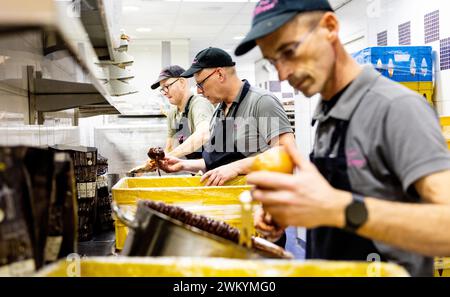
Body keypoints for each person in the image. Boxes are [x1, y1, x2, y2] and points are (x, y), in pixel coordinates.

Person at [235, 0, 450, 276]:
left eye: (289, 52)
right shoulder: (328, 110)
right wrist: (296, 212)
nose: (283, 73)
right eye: (273, 61)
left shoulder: (396, 108)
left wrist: (338, 209)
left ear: (330, 27)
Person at [159, 47, 296, 186]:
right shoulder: (219, 110)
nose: (199, 91)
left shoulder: (261, 101)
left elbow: (286, 154)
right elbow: (217, 162)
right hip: (230, 200)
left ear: (220, 74)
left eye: (201, 83)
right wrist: (183, 165)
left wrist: (236, 167)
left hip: (261, 198)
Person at [151, 65, 214, 160]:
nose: (165, 92)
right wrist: (154, 163)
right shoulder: (173, 113)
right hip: (197, 170)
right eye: (162, 89)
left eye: (167, 86)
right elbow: (170, 148)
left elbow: (203, 135)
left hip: (219, 168)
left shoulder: (199, 104)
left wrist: (169, 157)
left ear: (182, 82)